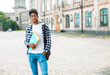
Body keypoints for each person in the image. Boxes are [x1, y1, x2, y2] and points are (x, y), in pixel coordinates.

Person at [24, 9, 51, 75]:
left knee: (45, 73)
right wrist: (29, 44)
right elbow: (25, 41)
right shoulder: (29, 28)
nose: (33, 17)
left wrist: (45, 51)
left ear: (38, 16)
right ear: (30, 18)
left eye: (35, 15)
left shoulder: (44, 27)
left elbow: (49, 40)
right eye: (32, 16)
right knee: (34, 73)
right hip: (31, 54)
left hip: (41, 54)